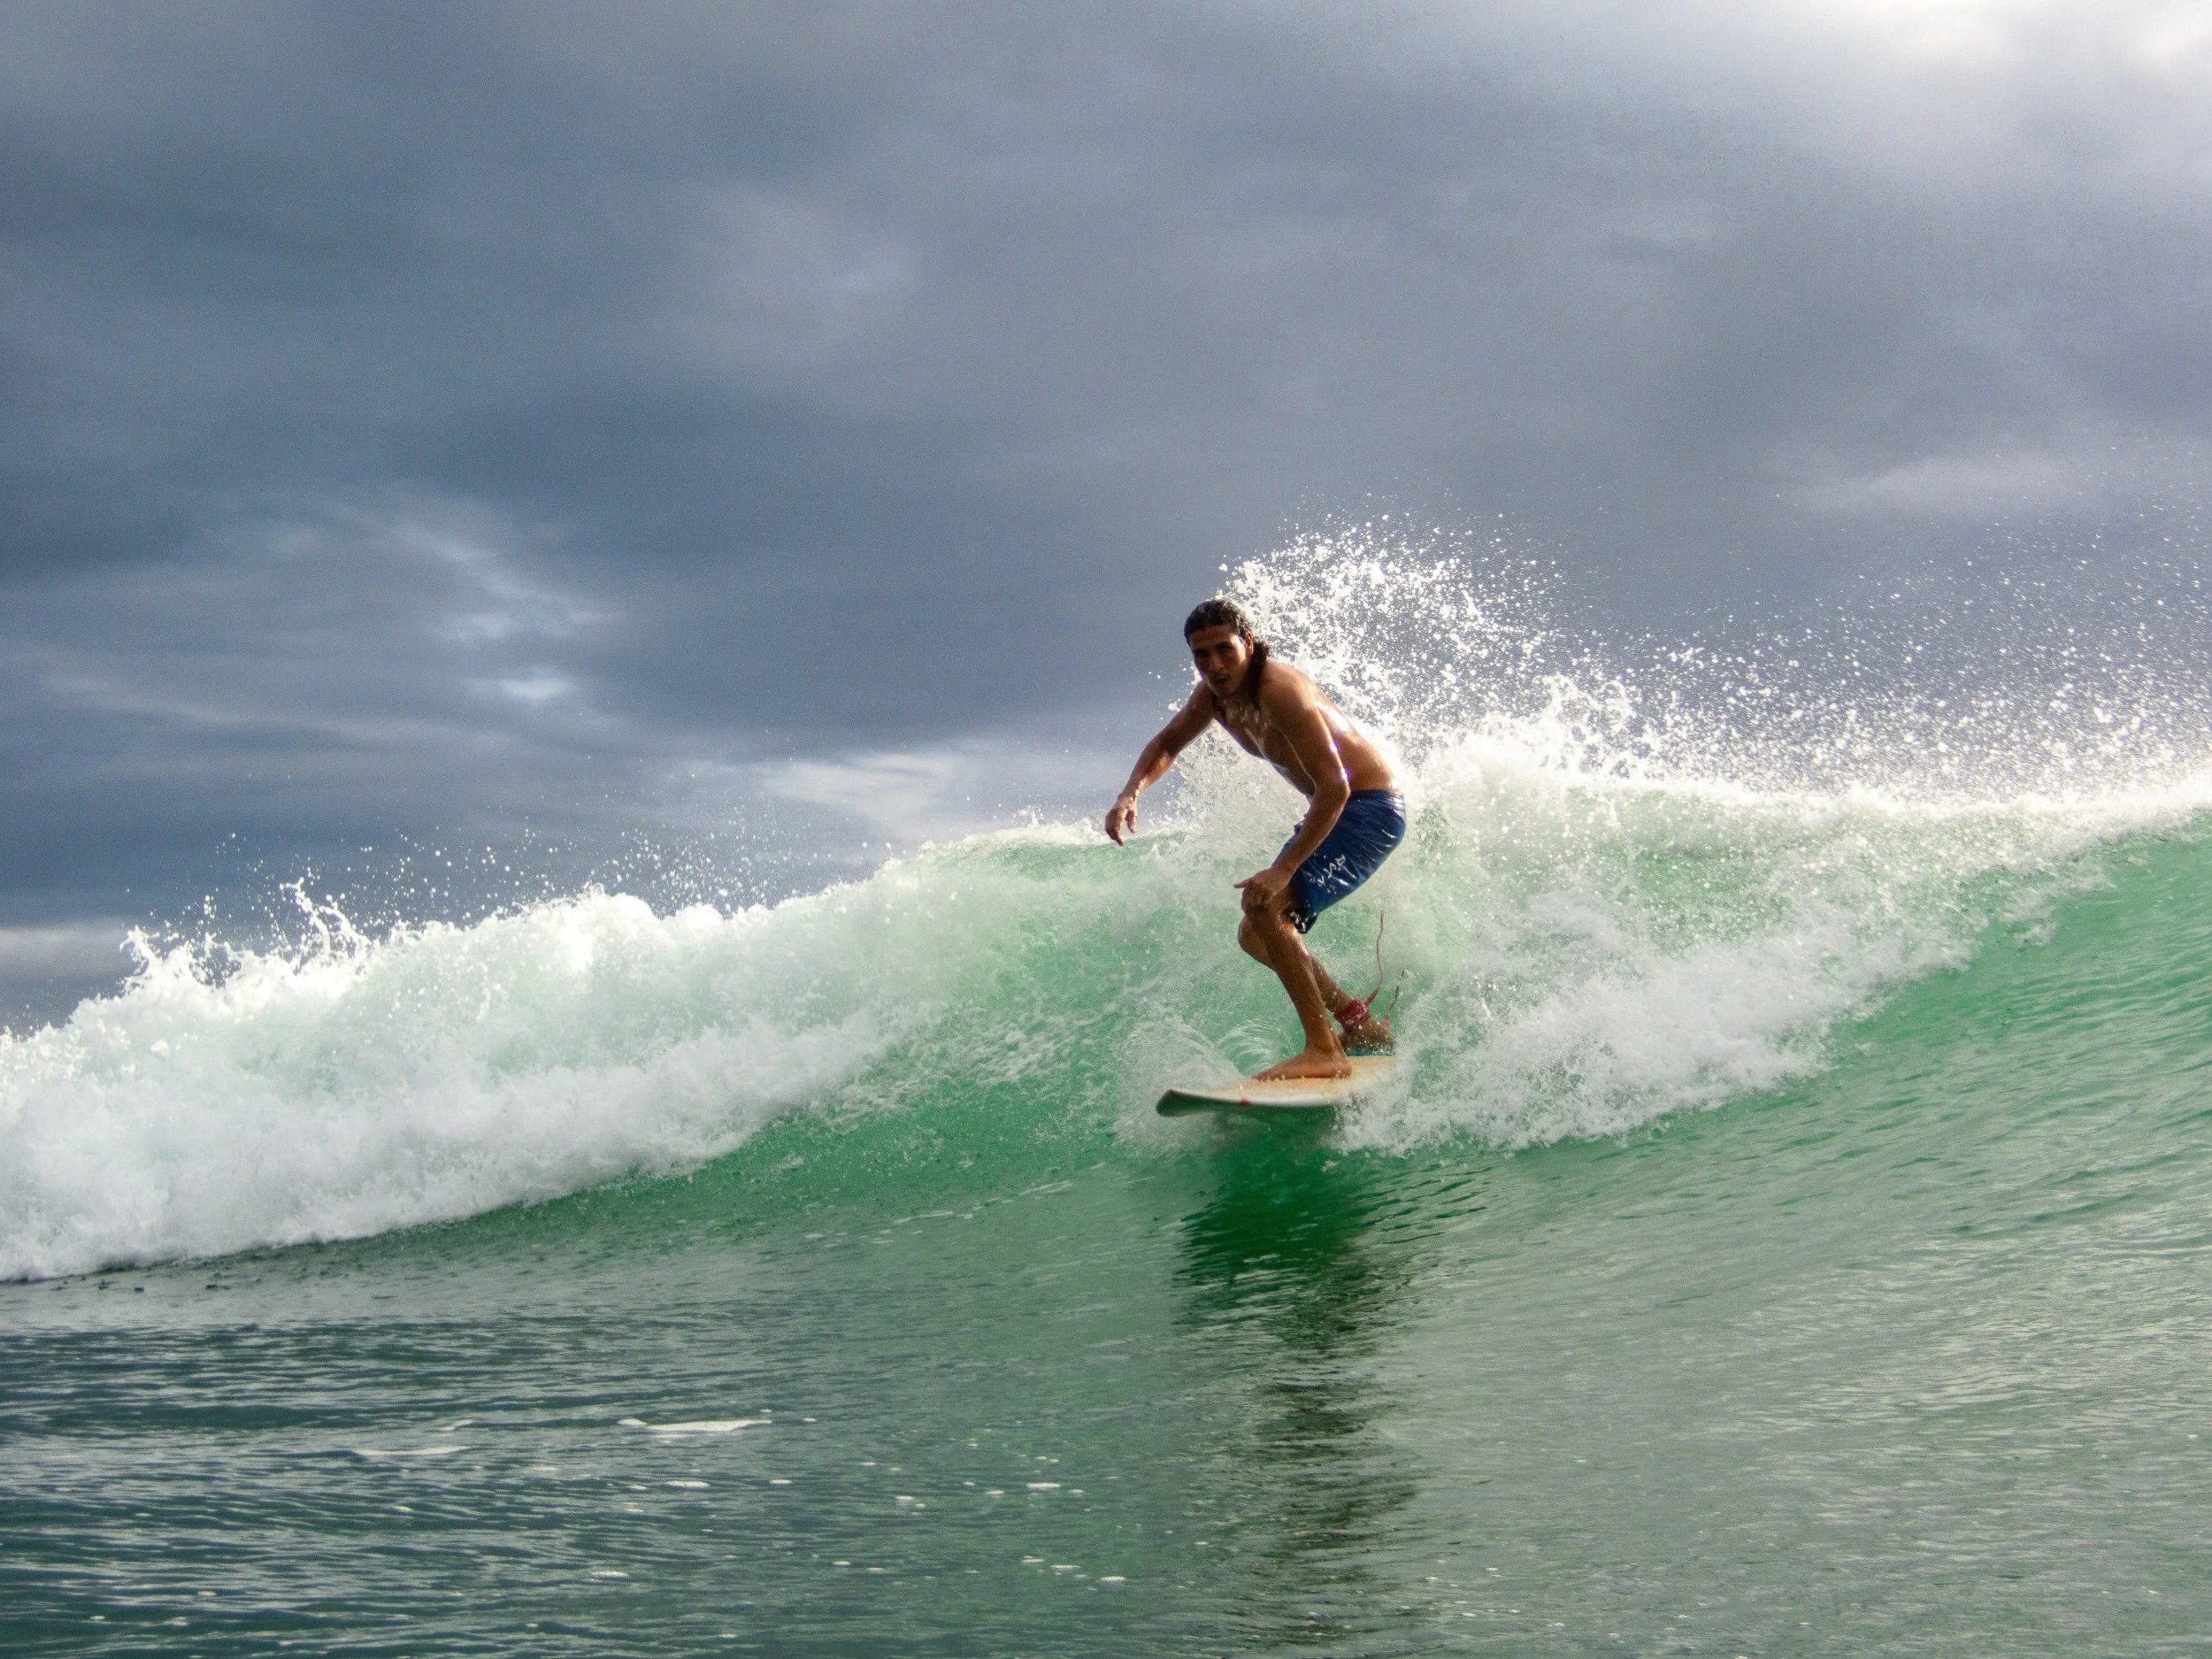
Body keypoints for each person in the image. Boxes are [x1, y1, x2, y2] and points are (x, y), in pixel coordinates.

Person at [1106, 598, 1407, 1079]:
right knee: (1257, 934)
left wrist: (1284, 867)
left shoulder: (1280, 691)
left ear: (1248, 643)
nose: (1214, 665)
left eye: (1224, 650)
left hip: (1367, 810)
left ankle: (1323, 1049)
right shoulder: (1213, 697)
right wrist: (1130, 794)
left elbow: (1336, 787)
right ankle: (1358, 1024)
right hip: (1339, 810)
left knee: (1265, 906)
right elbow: (1166, 744)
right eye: (1200, 655)